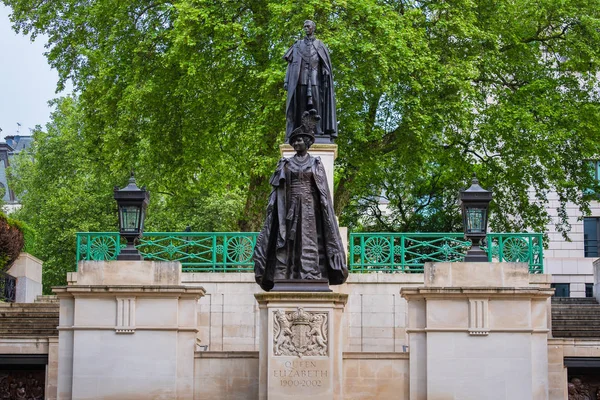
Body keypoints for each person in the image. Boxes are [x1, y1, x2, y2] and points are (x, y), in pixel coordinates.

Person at [253, 112, 347, 291]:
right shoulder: (285, 164)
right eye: (294, 141)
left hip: (311, 209)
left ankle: (309, 273)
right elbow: (277, 189)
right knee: (288, 239)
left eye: (300, 140)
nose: (296, 143)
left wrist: (325, 209)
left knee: (309, 239)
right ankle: (287, 273)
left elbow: (323, 191)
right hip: (289, 206)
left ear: (308, 143)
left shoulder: (315, 163)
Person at [284, 20, 337, 142]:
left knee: (317, 104)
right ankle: (301, 129)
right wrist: (287, 81)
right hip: (300, 80)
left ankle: (318, 129)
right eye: (304, 27)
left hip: (315, 80)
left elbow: (324, 63)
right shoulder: (297, 45)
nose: (306, 28)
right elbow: (290, 64)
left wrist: (325, 70)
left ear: (313, 28)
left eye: (308, 26)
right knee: (301, 105)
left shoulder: (320, 45)